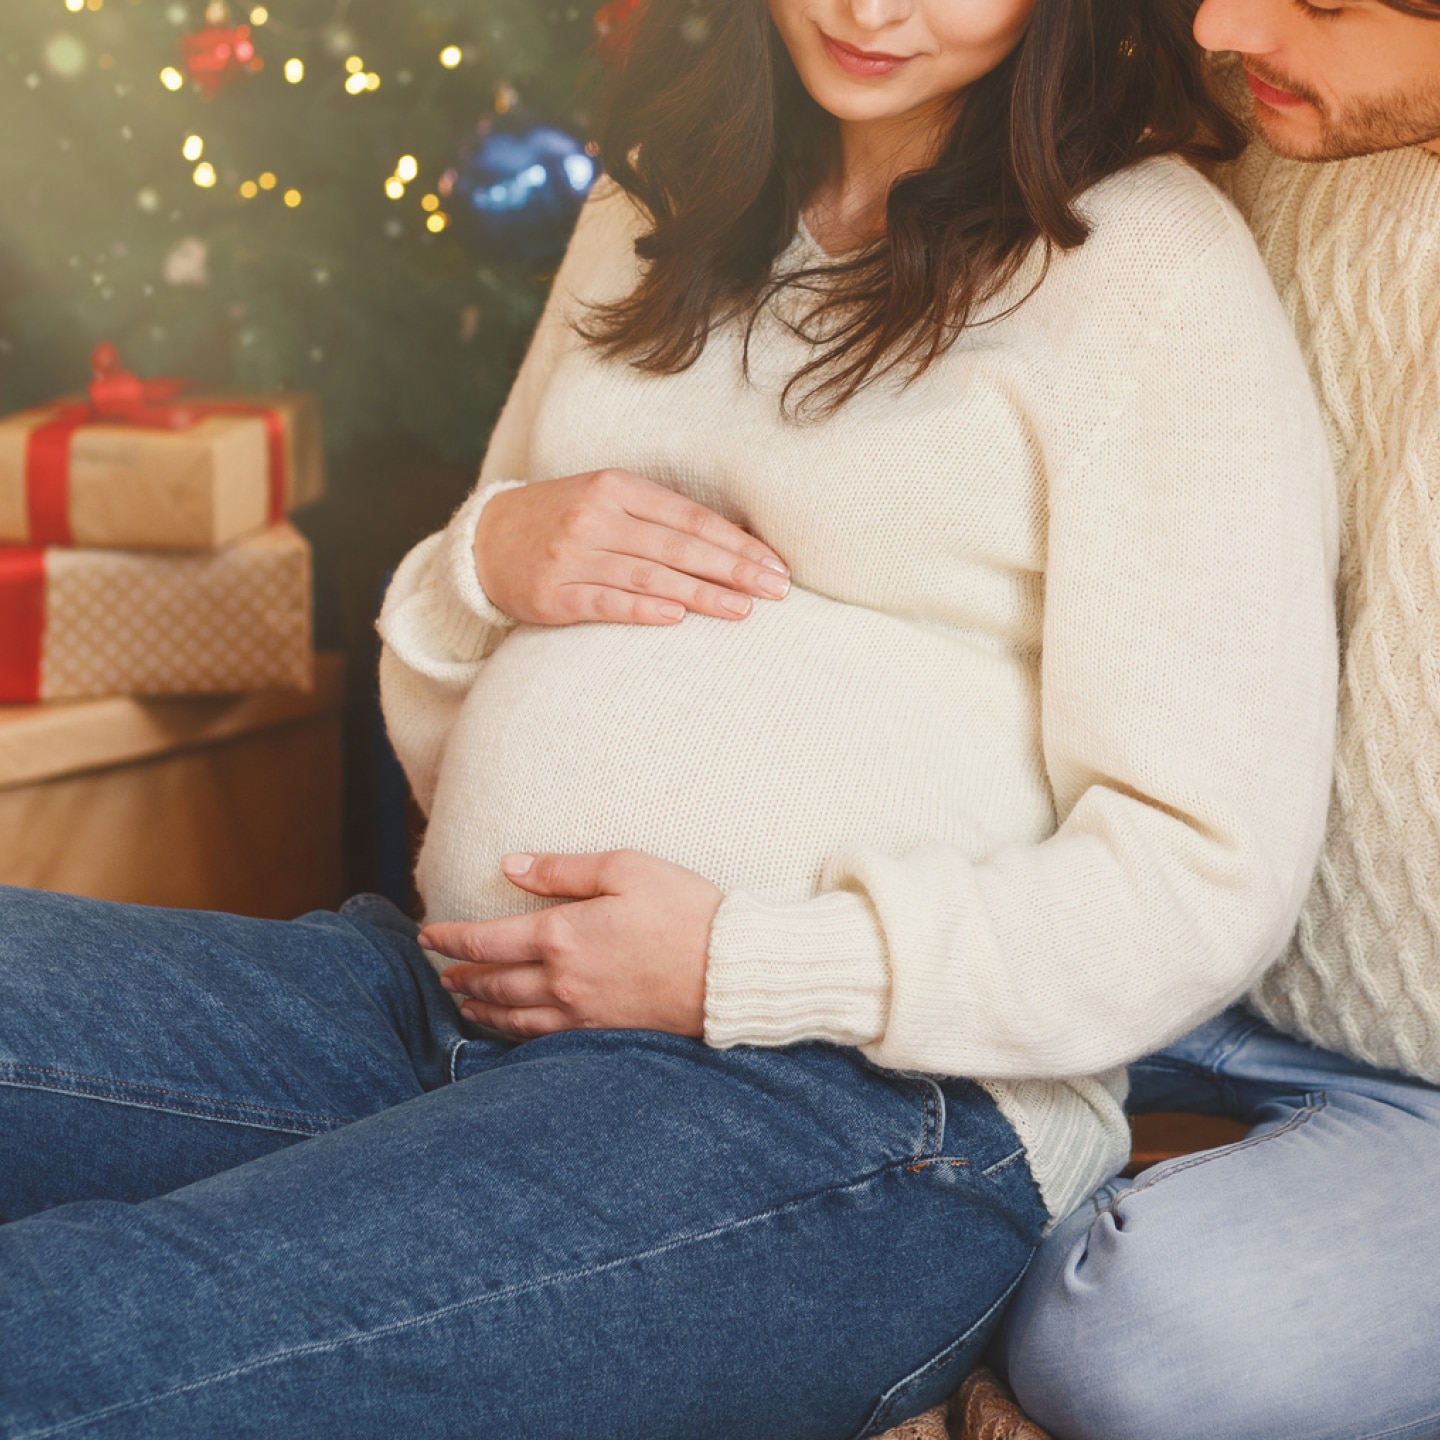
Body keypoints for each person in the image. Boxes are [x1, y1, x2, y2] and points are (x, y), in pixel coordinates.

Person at [0, 1, 1338, 1435]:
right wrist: (483, 562)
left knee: (86, 1332)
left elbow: (1206, 871)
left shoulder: (1146, 270)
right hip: (439, 998)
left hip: (855, 1117)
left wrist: (744, 966)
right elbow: (452, 707)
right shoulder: (661, 193)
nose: (875, 8)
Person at [995, 3, 1440, 1437]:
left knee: (1142, 1350)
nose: (1223, 21)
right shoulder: (1238, 113)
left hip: (1419, 1088)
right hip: (1169, 925)